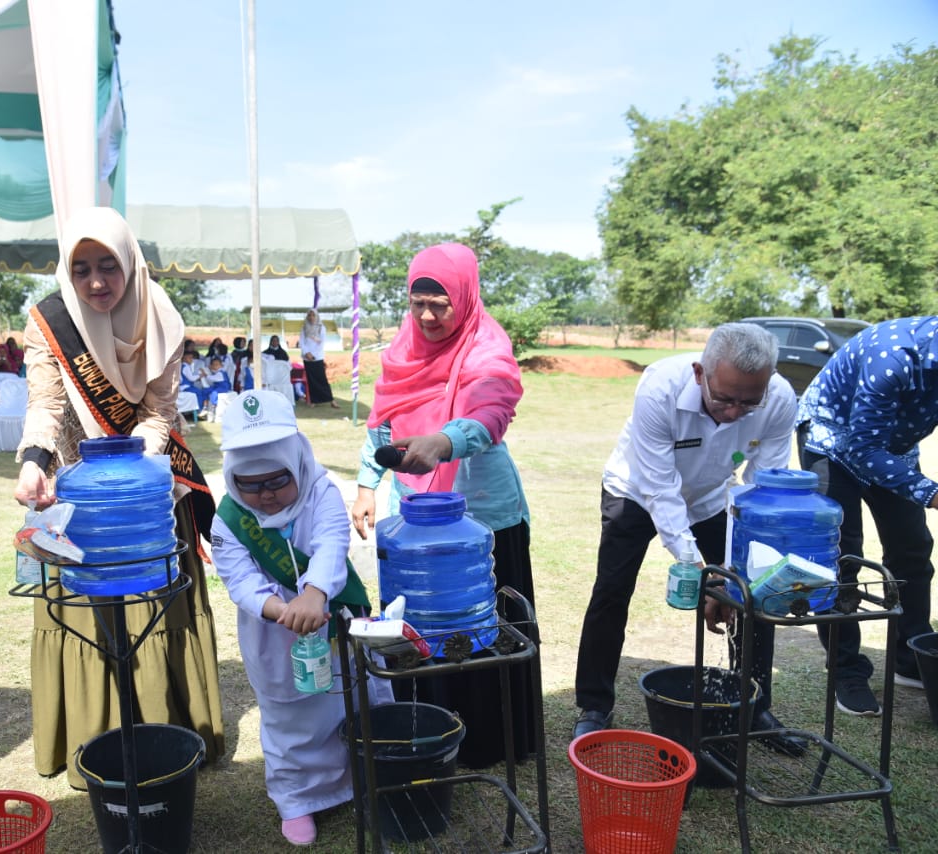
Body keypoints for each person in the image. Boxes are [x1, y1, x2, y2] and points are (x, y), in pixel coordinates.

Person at [13, 206, 225, 787]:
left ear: (130, 264)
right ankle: (93, 739)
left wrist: (132, 474)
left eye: (109, 266)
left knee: (153, 608)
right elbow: (47, 406)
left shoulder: (161, 319)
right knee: (85, 609)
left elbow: (160, 411)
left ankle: (166, 732)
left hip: (145, 495)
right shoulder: (49, 322)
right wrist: (35, 460)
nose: (97, 282)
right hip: (75, 493)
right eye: (81, 270)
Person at [571, 322, 808, 756]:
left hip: (711, 497)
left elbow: (762, 488)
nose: (734, 412)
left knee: (750, 594)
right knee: (612, 591)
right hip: (637, 491)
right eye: (724, 398)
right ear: (701, 373)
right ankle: (593, 705)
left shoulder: (779, 399)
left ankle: (754, 708)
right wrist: (703, 574)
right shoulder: (659, 388)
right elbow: (660, 490)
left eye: (747, 402)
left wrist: (735, 570)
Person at [350, 242, 536, 765]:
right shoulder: (404, 350)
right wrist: (368, 484)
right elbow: (383, 421)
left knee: (487, 628)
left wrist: (443, 442)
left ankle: (489, 743)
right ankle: (430, 735)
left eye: (441, 302)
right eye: (418, 303)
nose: (428, 316)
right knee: (425, 625)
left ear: (466, 297)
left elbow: (493, 408)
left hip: (483, 518)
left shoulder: (487, 347)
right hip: (415, 516)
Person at [211, 389, 390, 846]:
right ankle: (297, 800)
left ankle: (363, 780)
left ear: (297, 462)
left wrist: (314, 593)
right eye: (249, 484)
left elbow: (332, 543)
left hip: (334, 618)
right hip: (274, 635)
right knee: (290, 719)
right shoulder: (228, 520)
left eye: (276, 480)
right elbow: (240, 581)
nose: (265, 495)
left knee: (351, 700)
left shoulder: (322, 491)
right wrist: (283, 610)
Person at [796, 316, 937, 716]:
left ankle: (911, 659)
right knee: (841, 555)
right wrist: (932, 493)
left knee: (912, 548)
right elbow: (864, 450)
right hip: (833, 441)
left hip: (891, 446)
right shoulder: (892, 357)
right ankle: (846, 670)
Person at [298, 309, 338, 408]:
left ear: (316, 316)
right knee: (311, 380)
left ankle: (331, 400)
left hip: (318, 357)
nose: (311, 317)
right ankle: (313, 400)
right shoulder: (304, 328)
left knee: (322, 379)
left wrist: (313, 355)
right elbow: (302, 342)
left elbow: (322, 343)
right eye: (309, 315)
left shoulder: (321, 327)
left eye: (313, 315)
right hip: (307, 358)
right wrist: (307, 353)